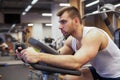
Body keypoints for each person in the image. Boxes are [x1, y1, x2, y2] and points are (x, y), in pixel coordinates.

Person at [16, 6, 120, 80]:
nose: (60, 27)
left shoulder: (93, 35)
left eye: (63, 22)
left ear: (76, 21)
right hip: (99, 71)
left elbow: (76, 62)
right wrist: (28, 56)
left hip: (116, 75)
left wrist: (39, 56)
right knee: (68, 77)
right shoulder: (71, 40)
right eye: (59, 23)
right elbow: (56, 57)